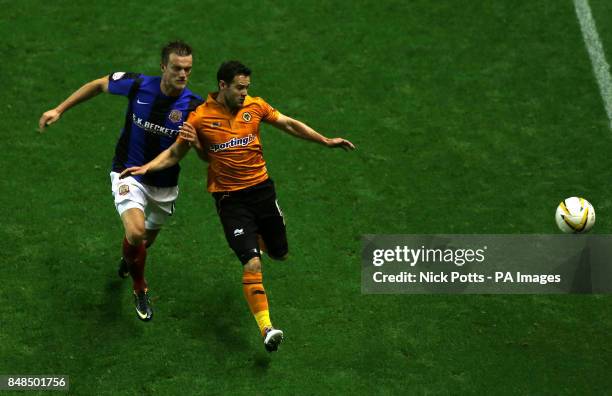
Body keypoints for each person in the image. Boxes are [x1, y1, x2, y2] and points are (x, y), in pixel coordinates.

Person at [120, 60, 355, 351]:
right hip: (230, 198)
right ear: (223, 85)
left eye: (247, 88)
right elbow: (172, 154)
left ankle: (256, 239)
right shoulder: (199, 117)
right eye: (240, 88)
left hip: (262, 191)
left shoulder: (255, 107)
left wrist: (325, 140)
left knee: (279, 253)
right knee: (252, 262)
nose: (245, 93)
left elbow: (288, 123)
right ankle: (267, 329)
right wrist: (144, 168)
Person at [38, 41, 204, 322]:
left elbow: (204, 157)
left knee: (143, 242)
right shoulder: (138, 85)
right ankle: (140, 287)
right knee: (137, 232)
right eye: (177, 68)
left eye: (187, 69)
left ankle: (129, 260)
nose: (183, 74)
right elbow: (98, 84)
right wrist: (59, 109)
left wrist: (198, 143)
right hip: (127, 172)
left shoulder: (196, 106)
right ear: (163, 66)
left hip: (164, 184)